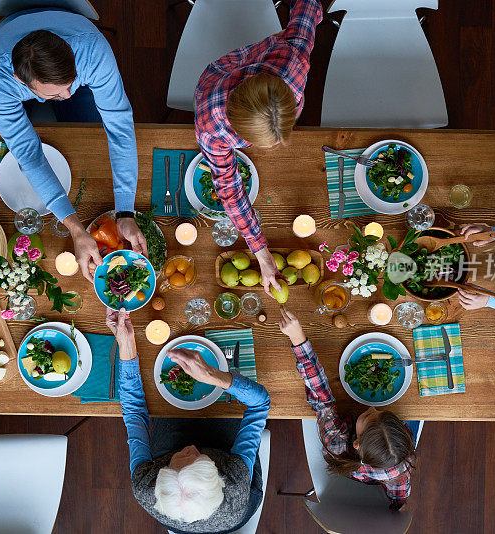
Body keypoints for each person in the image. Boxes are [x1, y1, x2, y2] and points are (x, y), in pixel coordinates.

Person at [0, 8, 147, 280]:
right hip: (3, 45)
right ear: (22, 81)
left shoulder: (92, 51)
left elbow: (120, 127)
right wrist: (76, 229)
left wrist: (125, 210)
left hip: (76, 36)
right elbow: (29, 154)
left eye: (70, 84)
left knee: (87, 134)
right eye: (56, 93)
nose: (66, 96)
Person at [193, 0, 323, 297]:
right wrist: (262, 253)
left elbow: (306, 9)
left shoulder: (292, 60)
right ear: (236, 132)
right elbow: (228, 188)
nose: (276, 145)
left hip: (266, 60)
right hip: (222, 72)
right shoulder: (211, 125)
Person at [107, 309, 270, 533]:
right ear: (220, 476)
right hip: (235, 501)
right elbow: (260, 404)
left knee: (167, 417)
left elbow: (134, 413)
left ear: (161, 475)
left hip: (186, 488)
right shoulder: (236, 482)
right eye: (199, 457)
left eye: (182, 457)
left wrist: (126, 344)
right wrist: (213, 375)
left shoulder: (144, 485)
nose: (192, 447)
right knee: (230, 412)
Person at [278, 307, 416, 510]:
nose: (372, 408)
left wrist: (298, 339)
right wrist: (397, 506)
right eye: (382, 413)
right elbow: (400, 494)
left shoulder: (335, 441)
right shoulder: (399, 467)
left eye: (369, 416)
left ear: (357, 443)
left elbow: (321, 397)